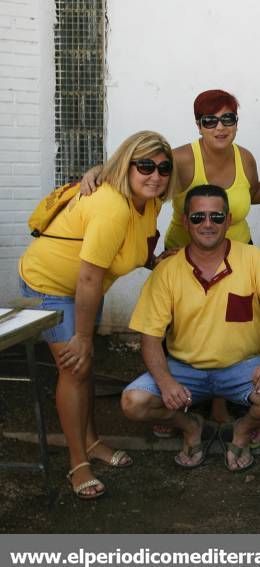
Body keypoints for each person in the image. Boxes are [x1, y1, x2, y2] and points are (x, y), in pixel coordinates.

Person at [81, 89, 260, 432]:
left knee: (230, 327)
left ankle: (220, 407)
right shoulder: (183, 159)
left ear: (236, 122)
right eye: (210, 120)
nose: (220, 127)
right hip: (185, 256)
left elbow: (254, 192)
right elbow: (143, 168)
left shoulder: (244, 157)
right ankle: (173, 402)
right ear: (198, 124)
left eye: (228, 119)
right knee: (179, 330)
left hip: (238, 257)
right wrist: (101, 170)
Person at [18, 130, 179, 499]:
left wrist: (154, 260)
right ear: (127, 165)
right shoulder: (113, 206)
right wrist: (84, 336)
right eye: (145, 165)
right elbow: (88, 275)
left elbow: (127, 250)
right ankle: (78, 463)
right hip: (52, 285)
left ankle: (91, 443)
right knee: (75, 367)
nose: (155, 174)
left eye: (163, 167)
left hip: (87, 287)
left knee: (85, 366)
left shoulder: (149, 201)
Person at [120, 185, 260, 472]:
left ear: (229, 221)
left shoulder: (252, 259)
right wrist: (166, 382)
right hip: (184, 369)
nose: (207, 224)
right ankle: (191, 427)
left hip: (241, 368)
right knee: (134, 402)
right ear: (185, 221)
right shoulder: (168, 270)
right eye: (198, 217)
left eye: (216, 217)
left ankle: (241, 430)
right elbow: (150, 337)